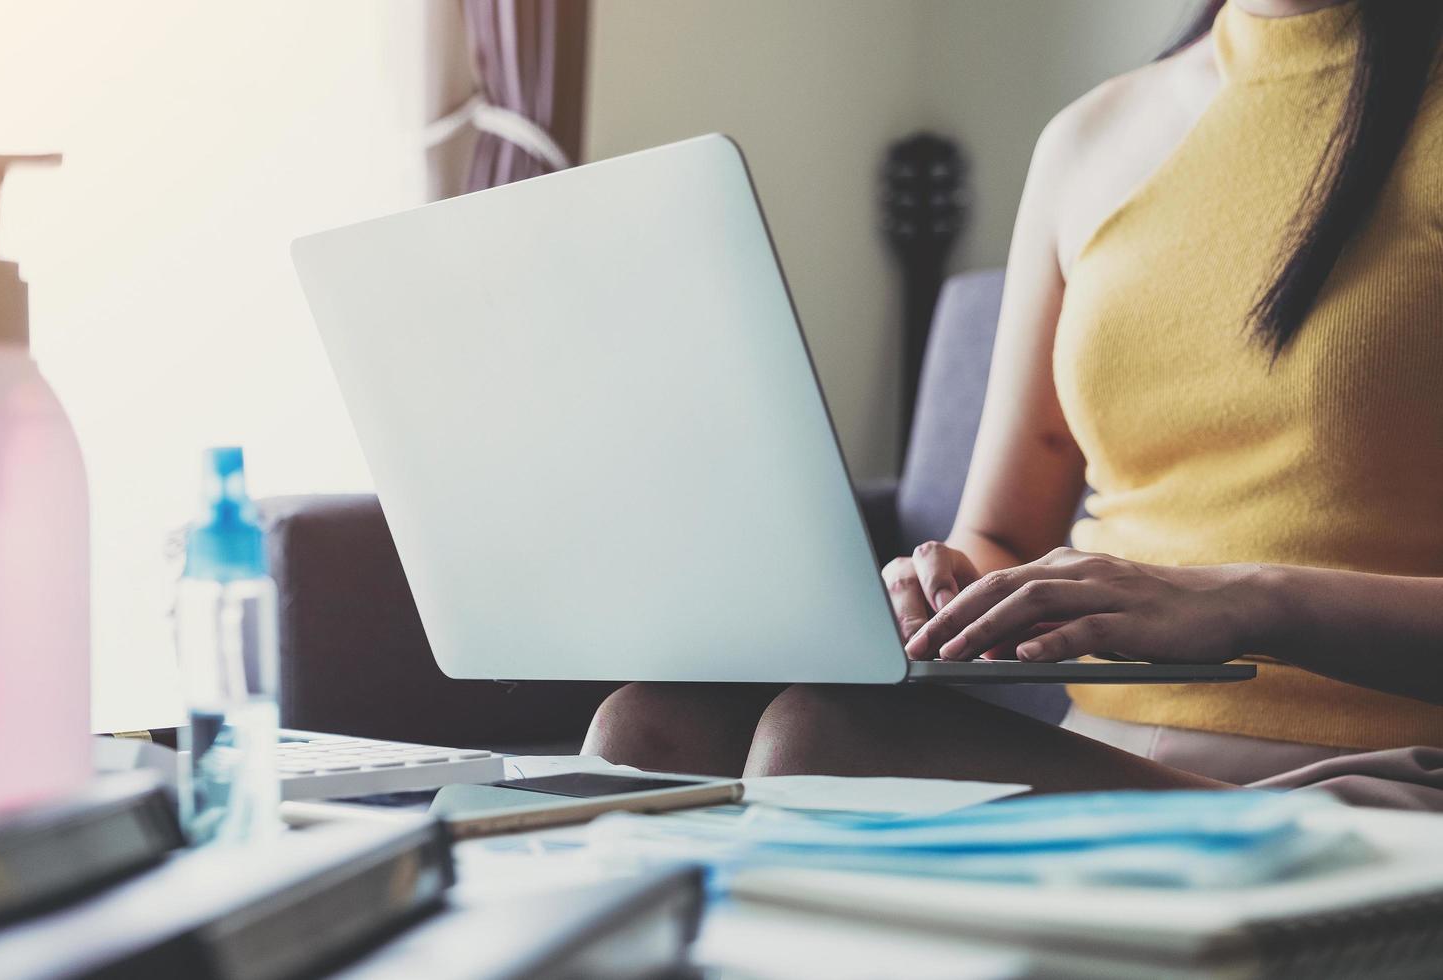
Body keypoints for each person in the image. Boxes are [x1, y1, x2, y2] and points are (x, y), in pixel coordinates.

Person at [583, 0, 1443, 809]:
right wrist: (933, 590)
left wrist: (1252, 600)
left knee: (821, 742)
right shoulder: (1091, 139)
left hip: (1369, 775)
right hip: (1093, 752)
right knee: (650, 727)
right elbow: (997, 533)